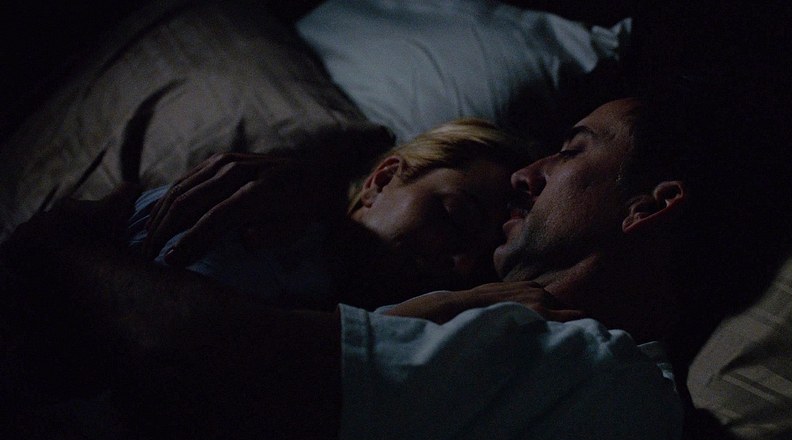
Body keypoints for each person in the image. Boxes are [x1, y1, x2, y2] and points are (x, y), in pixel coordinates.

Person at [4, 90, 745, 440]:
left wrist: (57, 246)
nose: (530, 175)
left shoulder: (594, 370)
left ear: (650, 206)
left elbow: (194, 357)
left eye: (573, 151)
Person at [126, 118, 533, 310]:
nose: (463, 268)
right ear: (381, 180)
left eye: (483, 266)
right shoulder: (264, 221)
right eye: (457, 218)